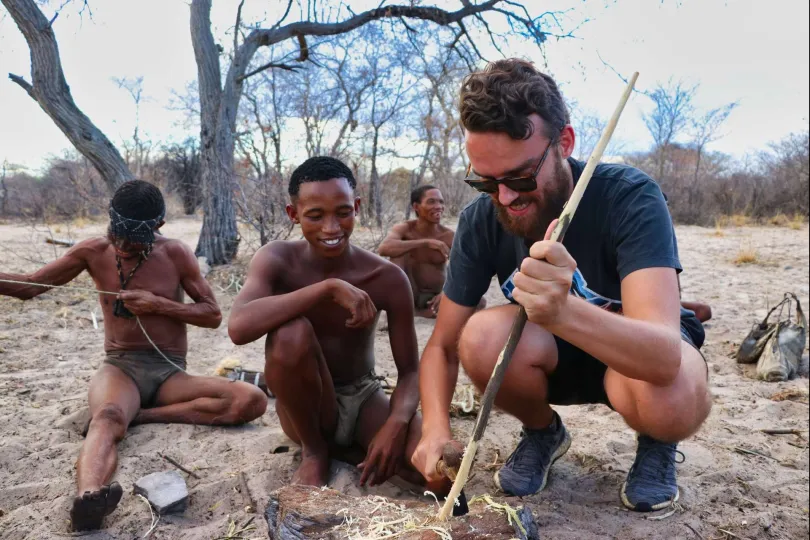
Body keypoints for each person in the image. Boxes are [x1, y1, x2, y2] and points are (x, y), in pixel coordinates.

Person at [410, 59, 712, 513]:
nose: (505, 197)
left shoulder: (629, 195)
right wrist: (434, 429)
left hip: (635, 359)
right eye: (485, 181)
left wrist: (564, 311)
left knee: (670, 398)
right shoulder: (482, 219)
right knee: (480, 335)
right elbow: (442, 347)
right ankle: (542, 431)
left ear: (564, 143)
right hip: (549, 357)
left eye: (519, 177)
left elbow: (664, 355)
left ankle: (656, 442)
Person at [0, 180, 268, 531]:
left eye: (134, 240)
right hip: (120, 368)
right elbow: (28, 287)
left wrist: (160, 305)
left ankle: (142, 415)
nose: (123, 246)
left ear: (157, 227)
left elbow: (212, 314)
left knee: (251, 400)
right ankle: (89, 498)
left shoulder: (175, 254)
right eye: (118, 235)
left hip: (169, 373)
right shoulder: (92, 251)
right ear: (110, 220)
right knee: (107, 418)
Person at [228, 156, 441, 492]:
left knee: (436, 476)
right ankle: (315, 451)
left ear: (356, 207)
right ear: (293, 214)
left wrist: (395, 425)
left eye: (343, 212)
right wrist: (326, 289)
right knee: (290, 333)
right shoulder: (276, 259)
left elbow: (411, 372)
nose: (331, 228)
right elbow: (238, 327)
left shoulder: (386, 277)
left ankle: (346, 448)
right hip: (305, 409)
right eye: (315, 215)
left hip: (363, 394)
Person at [378, 185, 454, 318]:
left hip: (435, 297)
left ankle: (423, 312)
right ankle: (410, 311)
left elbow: (467, 267)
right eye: (431, 202)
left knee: (479, 302)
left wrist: (447, 292)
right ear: (416, 207)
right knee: (397, 254)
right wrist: (426, 242)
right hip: (408, 295)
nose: (438, 206)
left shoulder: (449, 236)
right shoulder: (405, 229)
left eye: (441, 202)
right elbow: (384, 248)